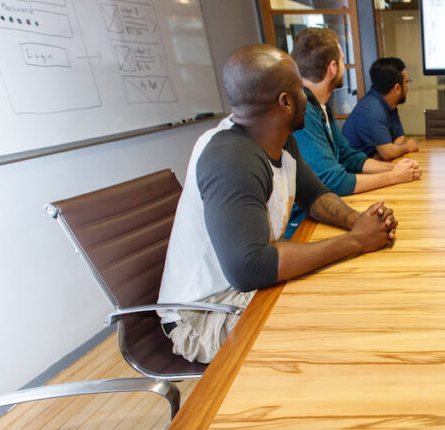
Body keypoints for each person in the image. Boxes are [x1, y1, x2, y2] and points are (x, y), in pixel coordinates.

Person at [158, 44, 399, 363]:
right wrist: (355, 241)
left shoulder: (277, 137)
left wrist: (360, 222)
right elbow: (250, 268)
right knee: (338, 326)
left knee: (350, 294)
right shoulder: (231, 159)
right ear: (286, 102)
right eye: (300, 88)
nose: (307, 96)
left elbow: (314, 196)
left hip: (242, 288)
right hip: (205, 313)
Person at [288, 28, 421, 236]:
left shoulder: (319, 106)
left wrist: (394, 169)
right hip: (303, 224)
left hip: (324, 210)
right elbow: (335, 181)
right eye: (341, 60)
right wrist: (394, 176)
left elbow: (352, 159)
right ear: (333, 67)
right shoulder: (303, 111)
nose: (343, 66)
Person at [342, 56, 419, 161]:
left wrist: (391, 150)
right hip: (357, 173)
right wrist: (406, 147)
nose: (408, 86)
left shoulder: (389, 104)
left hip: (375, 164)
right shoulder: (371, 109)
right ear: (397, 88)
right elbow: (387, 153)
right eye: (407, 82)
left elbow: (400, 137)